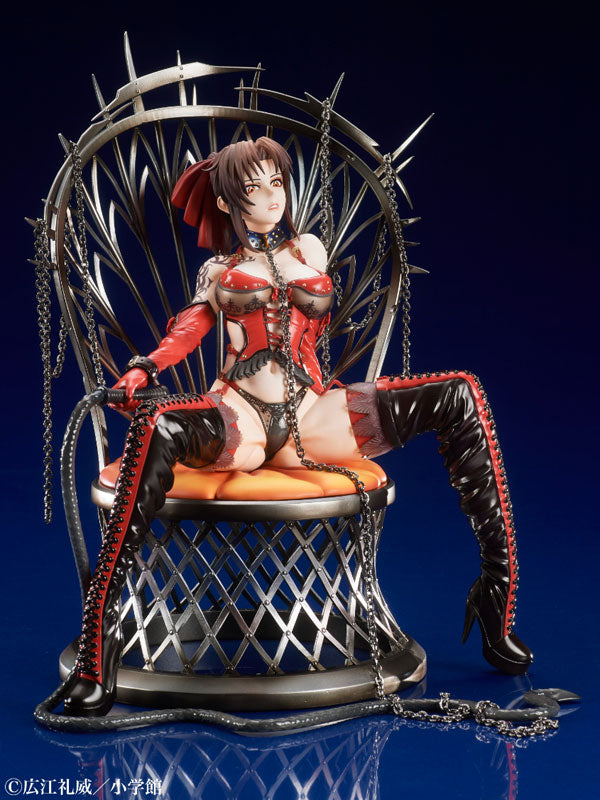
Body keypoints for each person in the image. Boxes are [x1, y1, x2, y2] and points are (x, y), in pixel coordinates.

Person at [63, 137, 532, 717]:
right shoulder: (219, 270)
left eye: (277, 183)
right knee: (159, 424)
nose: (270, 198)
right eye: (251, 188)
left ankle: (495, 595)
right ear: (227, 202)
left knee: (460, 392)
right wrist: (145, 368)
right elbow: (189, 328)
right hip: (241, 416)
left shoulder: (310, 247)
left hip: (311, 417)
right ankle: (99, 641)